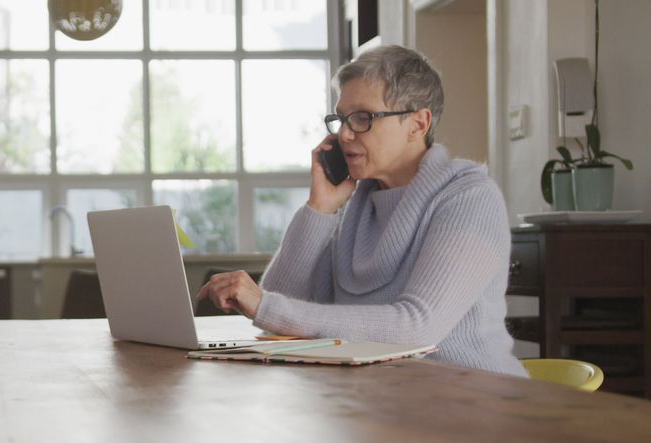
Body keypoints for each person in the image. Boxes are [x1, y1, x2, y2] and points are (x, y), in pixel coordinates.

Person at [196, 45, 526, 376]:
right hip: (381, 401)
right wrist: (319, 208)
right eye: (340, 119)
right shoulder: (357, 207)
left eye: (363, 118)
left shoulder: (470, 199)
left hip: (475, 400)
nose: (344, 134)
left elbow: (417, 328)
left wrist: (267, 306)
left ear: (418, 124)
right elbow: (277, 319)